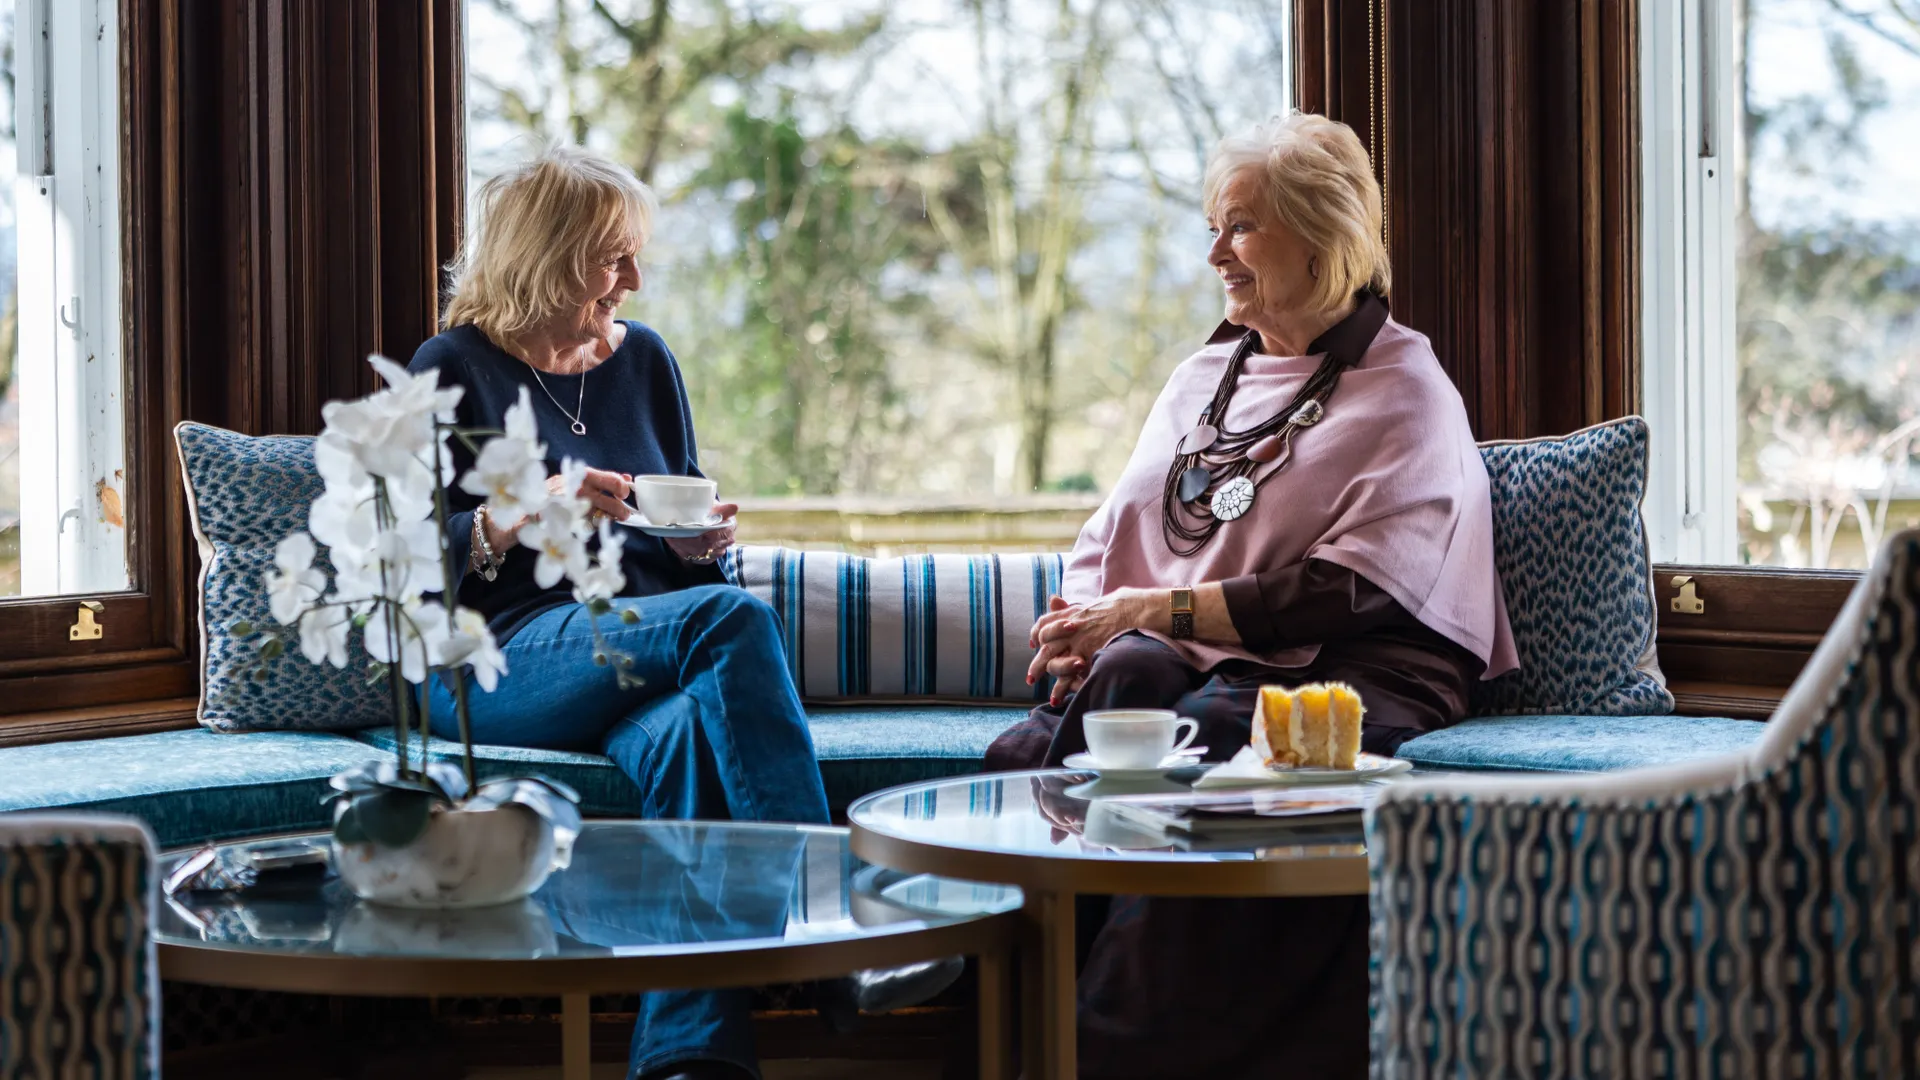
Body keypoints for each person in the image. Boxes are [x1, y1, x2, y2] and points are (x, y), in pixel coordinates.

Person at [984, 113, 1520, 1076]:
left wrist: (1147, 612)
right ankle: (1024, 1010)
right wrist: (1084, 627)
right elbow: (1114, 530)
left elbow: (1347, 592)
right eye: (1213, 226)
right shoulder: (1202, 377)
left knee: (1211, 745)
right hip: (1199, 649)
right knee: (1129, 686)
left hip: (1358, 669)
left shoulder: (1407, 388)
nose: (1213, 254)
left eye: (1238, 228)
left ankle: (1105, 1045)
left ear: (1322, 237)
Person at [409, 145, 939, 1080]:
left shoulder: (645, 357)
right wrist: (526, 511)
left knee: (693, 744)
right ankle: (838, 925)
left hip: (638, 648)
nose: (634, 280)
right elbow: (410, 563)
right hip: (506, 656)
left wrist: (699, 548)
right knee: (728, 624)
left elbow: (677, 510)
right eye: (613, 258)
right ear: (546, 255)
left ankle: (689, 1060)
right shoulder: (450, 368)